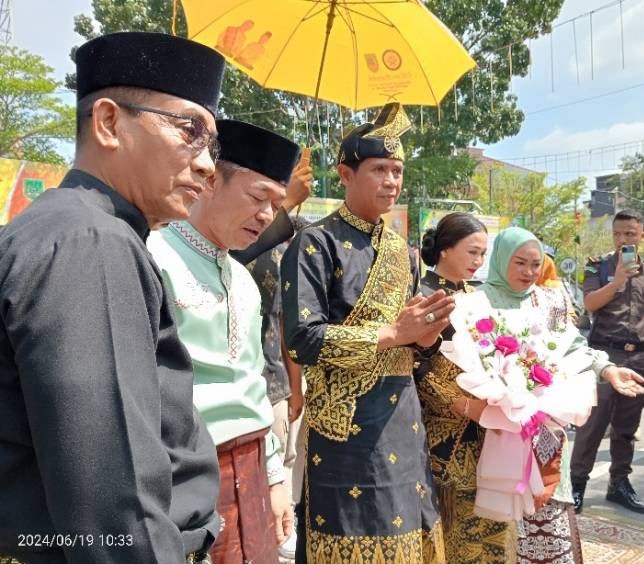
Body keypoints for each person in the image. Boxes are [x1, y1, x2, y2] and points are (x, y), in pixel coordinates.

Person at [0, 32, 225, 563]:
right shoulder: (92, 243)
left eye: (213, 146)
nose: (207, 165)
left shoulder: (70, 227)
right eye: (190, 130)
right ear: (108, 123)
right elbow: (114, 496)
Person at [281, 103, 453, 563]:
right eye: (379, 169)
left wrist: (424, 338)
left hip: (402, 416)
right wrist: (392, 333)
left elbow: (411, 339)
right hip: (346, 424)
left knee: (408, 531)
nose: (392, 181)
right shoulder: (314, 243)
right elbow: (303, 339)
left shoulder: (403, 251)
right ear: (345, 174)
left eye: (397, 171)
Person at [147, 119, 301, 563]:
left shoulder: (243, 280)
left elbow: (253, 383)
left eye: (276, 204)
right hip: (182, 474)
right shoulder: (154, 258)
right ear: (211, 181)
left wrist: (274, 478)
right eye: (258, 197)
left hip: (251, 468)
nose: (267, 215)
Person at [479, 227, 644, 564]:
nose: (529, 272)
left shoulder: (551, 301)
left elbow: (573, 345)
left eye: (535, 264)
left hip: (546, 426)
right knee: (497, 520)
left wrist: (607, 369)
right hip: (496, 427)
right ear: (500, 259)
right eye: (520, 263)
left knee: (548, 508)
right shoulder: (476, 301)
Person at [414, 213, 520, 562]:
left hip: (489, 427)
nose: (478, 261)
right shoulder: (422, 295)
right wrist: (460, 404)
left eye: (483, 254)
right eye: (472, 252)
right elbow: (414, 364)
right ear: (445, 249)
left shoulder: (479, 297)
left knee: (493, 524)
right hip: (443, 434)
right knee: (451, 526)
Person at [570, 209, 644, 515]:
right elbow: (590, 303)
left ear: (642, 236)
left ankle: (619, 483)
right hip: (603, 355)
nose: (622, 239)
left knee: (627, 426)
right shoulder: (596, 265)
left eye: (629, 234)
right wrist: (617, 281)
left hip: (638, 356)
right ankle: (577, 484)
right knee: (592, 424)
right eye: (617, 233)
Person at [248, 214, 310, 560]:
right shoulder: (277, 259)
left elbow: (287, 327)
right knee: (278, 464)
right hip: (270, 383)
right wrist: (295, 387)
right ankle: (278, 531)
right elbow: (289, 327)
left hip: (272, 382)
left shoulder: (275, 257)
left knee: (276, 465)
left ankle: (278, 530)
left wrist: (294, 387)